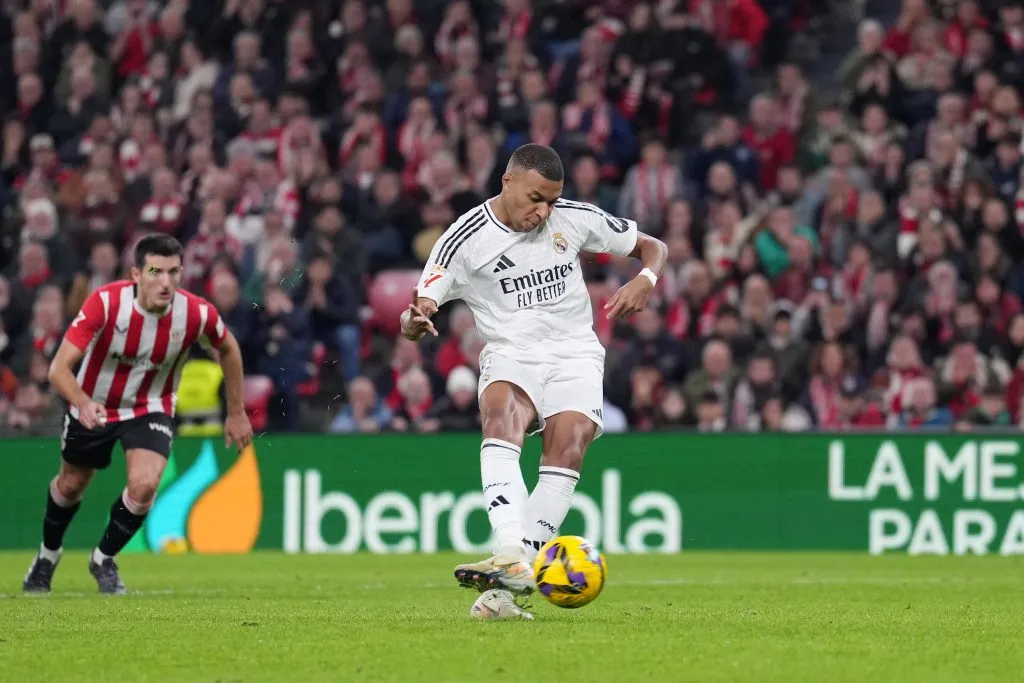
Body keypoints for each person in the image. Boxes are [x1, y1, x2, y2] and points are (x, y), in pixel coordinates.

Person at [402, 143, 667, 616]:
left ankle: (505, 588)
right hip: (512, 351)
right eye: (535, 198)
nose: (543, 211)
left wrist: (645, 277)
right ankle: (509, 550)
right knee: (502, 416)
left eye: (551, 200)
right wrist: (415, 319)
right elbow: (421, 305)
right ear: (508, 182)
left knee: (568, 446)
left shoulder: (573, 216)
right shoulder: (464, 240)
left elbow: (654, 246)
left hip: (575, 352)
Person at [22, 234, 254, 595]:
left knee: (145, 486)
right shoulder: (105, 304)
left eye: (174, 272)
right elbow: (58, 370)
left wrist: (236, 411)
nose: (166, 282)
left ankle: (104, 558)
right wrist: (82, 402)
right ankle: (48, 555)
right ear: (136, 274)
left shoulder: (195, 313)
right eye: (155, 272)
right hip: (95, 404)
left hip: (152, 406)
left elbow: (228, 348)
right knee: (71, 485)